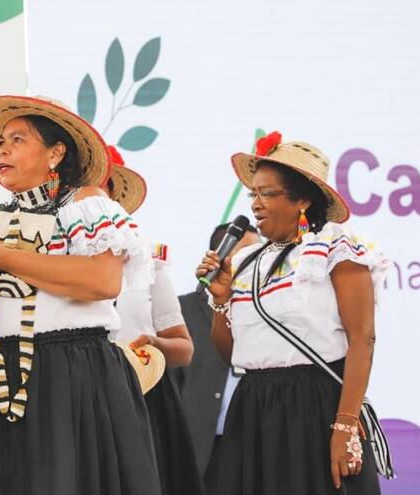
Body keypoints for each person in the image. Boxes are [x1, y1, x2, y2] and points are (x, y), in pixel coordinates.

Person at [0, 95, 161, 495]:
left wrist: (5, 257)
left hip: (68, 374)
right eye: (0, 141)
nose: (3, 148)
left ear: (55, 153)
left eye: (18, 139)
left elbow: (102, 281)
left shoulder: (83, 204)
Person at [197, 132, 389, 494]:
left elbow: (362, 338)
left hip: (316, 406)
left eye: (268, 194)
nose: (255, 204)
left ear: (302, 200)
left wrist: (345, 424)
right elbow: (230, 354)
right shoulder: (244, 261)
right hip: (253, 409)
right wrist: (222, 300)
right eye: (253, 193)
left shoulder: (337, 249)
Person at [101, 145, 202, 495]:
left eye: (102, 188)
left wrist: (155, 346)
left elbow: (184, 348)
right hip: (79, 397)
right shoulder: (51, 257)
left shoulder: (146, 259)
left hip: (142, 397)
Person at [171, 221, 259, 493]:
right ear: (219, 257)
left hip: (254, 446)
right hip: (199, 449)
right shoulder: (182, 310)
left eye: (260, 254)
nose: (256, 262)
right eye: (247, 254)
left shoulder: (268, 309)